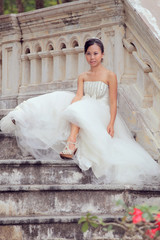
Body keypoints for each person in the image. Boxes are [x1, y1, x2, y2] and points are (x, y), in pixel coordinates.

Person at [0, 38, 160, 185]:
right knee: (59, 98)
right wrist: (70, 107)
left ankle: (71, 143)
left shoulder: (110, 75)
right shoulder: (83, 76)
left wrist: (111, 123)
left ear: (102, 55)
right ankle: (24, 115)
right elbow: (78, 96)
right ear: (85, 55)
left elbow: (112, 102)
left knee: (82, 107)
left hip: (102, 111)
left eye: (96, 53)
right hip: (85, 106)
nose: (92, 57)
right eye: (89, 54)